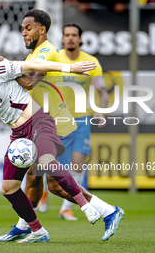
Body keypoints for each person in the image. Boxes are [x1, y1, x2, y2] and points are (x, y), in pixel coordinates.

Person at [0, 9, 125, 242]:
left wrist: (5, 63)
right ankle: (25, 225)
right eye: (22, 29)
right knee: (33, 177)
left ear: (42, 29)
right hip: (42, 123)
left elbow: (27, 82)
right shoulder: (34, 54)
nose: (24, 33)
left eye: (28, 28)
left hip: (55, 124)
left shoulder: (46, 51)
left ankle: (109, 211)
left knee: (55, 186)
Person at [0, 43, 100, 243]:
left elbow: (34, 65)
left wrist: (71, 68)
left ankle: (86, 207)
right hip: (18, 134)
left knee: (46, 161)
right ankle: (37, 231)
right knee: (8, 188)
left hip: (38, 120)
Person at [40, 23, 110, 221]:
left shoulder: (91, 62)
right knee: (51, 163)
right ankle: (45, 190)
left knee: (77, 164)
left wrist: (100, 112)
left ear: (80, 39)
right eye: (66, 35)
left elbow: (101, 91)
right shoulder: (54, 58)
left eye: (74, 35)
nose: (70, 38)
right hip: (56, 119)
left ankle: (66, 208)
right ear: (62, 39)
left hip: (81, 120)